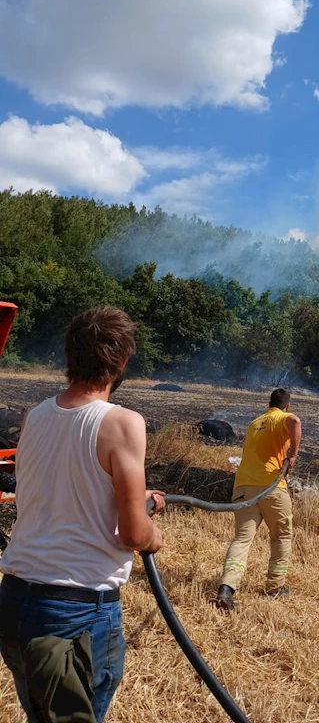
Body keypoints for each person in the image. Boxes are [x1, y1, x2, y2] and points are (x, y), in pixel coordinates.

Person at [0, 306, 166, 723]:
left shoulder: (34, 417)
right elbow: (132, 535)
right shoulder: (123, 423)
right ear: (123, 360)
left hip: (15, 603)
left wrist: (130, 494)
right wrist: (152, 536)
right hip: (75, 614)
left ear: (69, 355)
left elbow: (56, 488)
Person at [216, 388, 301, 611]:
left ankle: (226, 587)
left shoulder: (255, 423)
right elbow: (294, 422)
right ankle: (275, 587)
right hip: (271, 487)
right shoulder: (284, 417)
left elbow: (250, 454)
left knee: (242, 539)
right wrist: (292, 455)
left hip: (243, 485)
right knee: (281, 534)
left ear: (268, 404)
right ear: (287, 405)